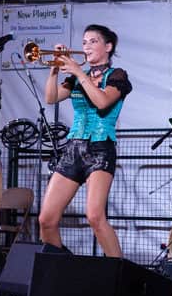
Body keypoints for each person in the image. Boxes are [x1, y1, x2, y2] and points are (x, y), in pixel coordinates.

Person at [38, 25, 132, 258]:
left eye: (93, 41)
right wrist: (55, 69)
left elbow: (102, 102)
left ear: (108, 47)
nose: (86, 47)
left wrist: (79, 73)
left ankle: (117, 276)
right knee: (46, 219)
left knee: (95, 217)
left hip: (100, 149)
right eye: (84, 42)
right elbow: (51, 98)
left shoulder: (117, 76)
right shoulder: (76, 77)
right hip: (73, 149)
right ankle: (60, 271)